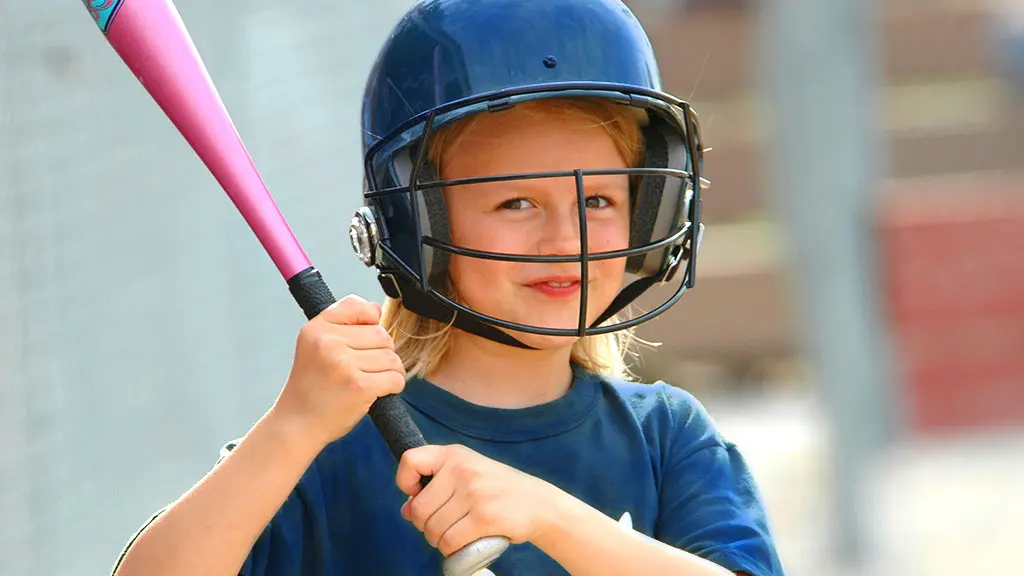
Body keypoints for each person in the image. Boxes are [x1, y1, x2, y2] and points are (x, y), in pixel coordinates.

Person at [110, 0, 785, 574]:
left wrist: (546, 515)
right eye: (515, 203)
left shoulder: (666, 438)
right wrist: (290, 428)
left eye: (600, 201)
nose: (564, 240)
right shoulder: (339, 439)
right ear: (415, 225)